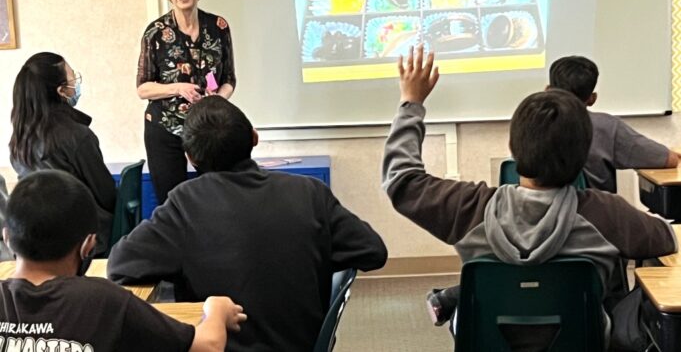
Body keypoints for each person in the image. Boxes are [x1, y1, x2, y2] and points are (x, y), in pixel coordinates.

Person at [382, 45, 677, 350]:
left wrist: (411, 103)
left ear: (514, 147)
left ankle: (453, 298)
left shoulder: (469, 208)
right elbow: (666, 241)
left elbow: (401, 180)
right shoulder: (608, 213)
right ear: (582, 155)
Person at [108, 96, 388, 352]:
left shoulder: (185, 203)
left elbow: (120, 265)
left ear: (190, 158)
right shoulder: (309, 191)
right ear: (254, 137)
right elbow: (373, 251)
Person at [0, 169, 247, 352]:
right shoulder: (102, 300)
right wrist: (216, 310)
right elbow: (207, 346)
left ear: (7, 237)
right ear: (88, 245)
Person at [136, 0, 236, 205]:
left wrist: (217, 99)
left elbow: (229, 79)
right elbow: (143, 88)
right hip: (164, 127)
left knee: (217, 197)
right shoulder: (155, 32)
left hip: (208, 126)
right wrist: (177, 88)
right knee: (172, 202)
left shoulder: (219, 26)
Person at [10, 52, 115, 255]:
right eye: (72, 78)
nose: (76, 84)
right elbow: (107, 195)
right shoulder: (78, 136)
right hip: (83, 243)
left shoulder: (18, 141)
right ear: (61, 91)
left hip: (35, 243)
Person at [549, 55, 679, 193]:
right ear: (592, 99)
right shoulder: (607, 127)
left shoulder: (534, 124)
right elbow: (668, 159)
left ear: (547, 90)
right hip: (595, 205)